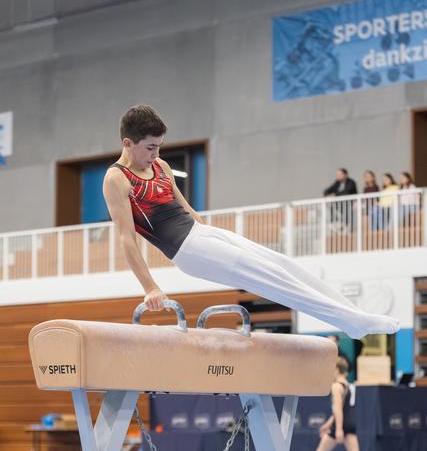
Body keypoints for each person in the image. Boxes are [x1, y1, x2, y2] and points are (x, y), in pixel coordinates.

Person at [102, 105, 399, 339]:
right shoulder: (117, 179)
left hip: (202, 235)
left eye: (159, 147)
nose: (156, 154)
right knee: (272, 278)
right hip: (188, 250)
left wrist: (209, 232)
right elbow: (127, 238)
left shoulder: (161, 166)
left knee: (283, 264)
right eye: (150, 148)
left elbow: (187, 209)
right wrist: (151, 287)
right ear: (127, 143)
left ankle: (352, 317)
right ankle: (353, 322)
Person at [301, 357, 368, 451]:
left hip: (342, 424)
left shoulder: (336, 386)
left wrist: (338, 430)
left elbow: (337, 409)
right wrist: (328, 424)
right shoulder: (348, 385)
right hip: (350, 423)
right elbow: (341, 409)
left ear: (337, 369)